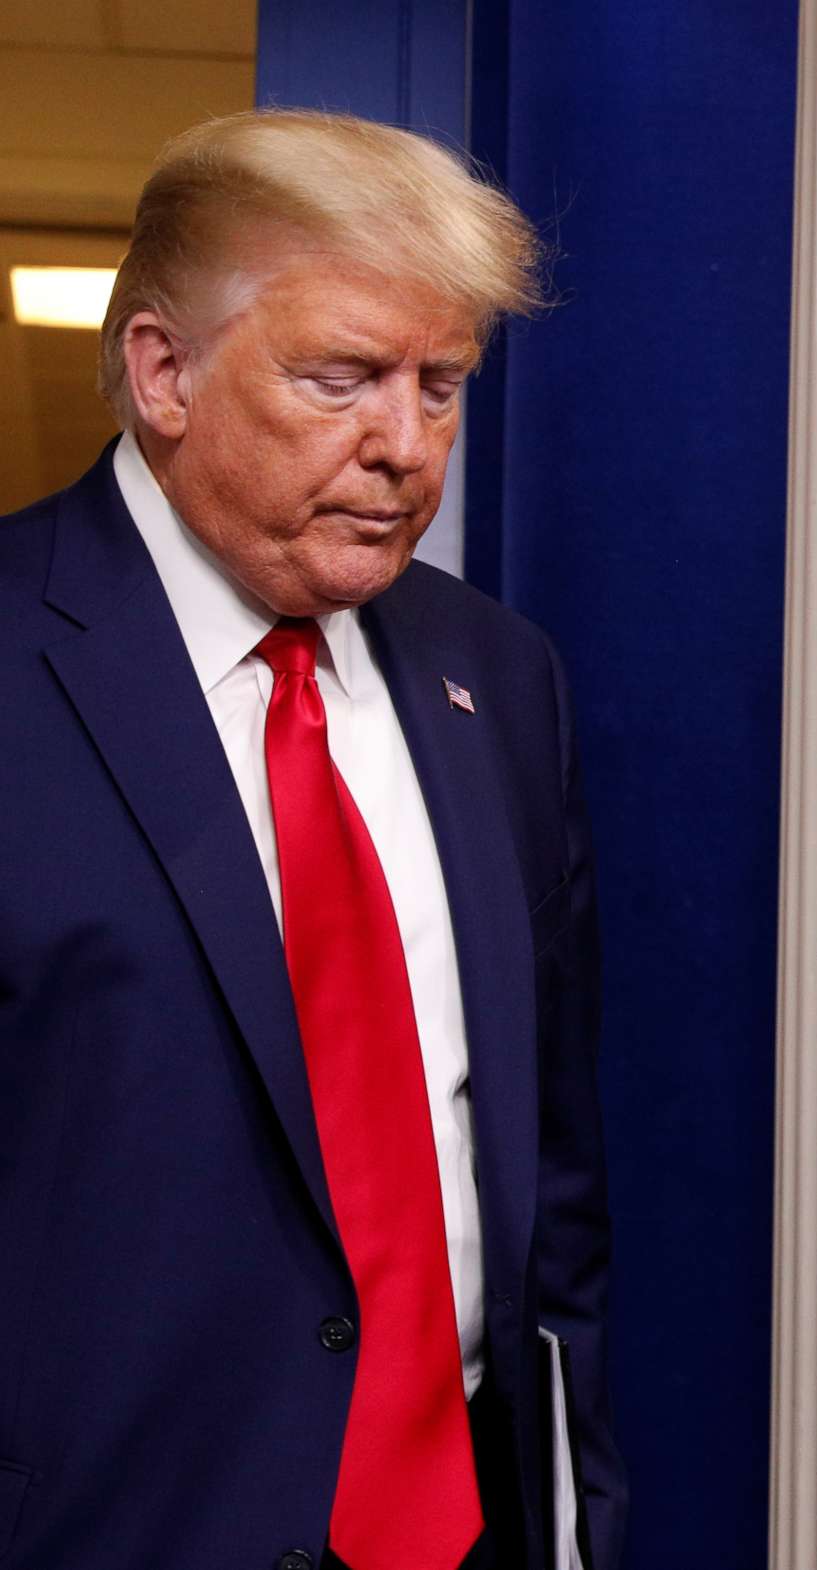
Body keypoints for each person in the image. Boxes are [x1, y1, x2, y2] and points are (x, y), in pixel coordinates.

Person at [0, 110, 623, 1570]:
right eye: (340, 378)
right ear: (164, 371)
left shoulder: (500, 676)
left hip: (467, 1526)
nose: (406, 446)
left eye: (443, 385)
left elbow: (551, 1178)